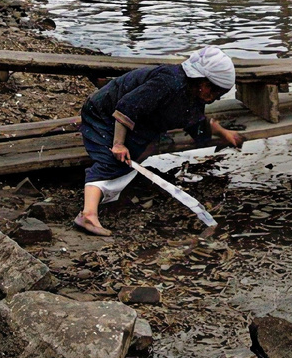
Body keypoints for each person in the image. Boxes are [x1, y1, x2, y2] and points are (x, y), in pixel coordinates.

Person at [75, 46, 243, 236]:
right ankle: (88, 214)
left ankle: (112, 190)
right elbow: (126, 108)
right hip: (103, 113)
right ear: (203, 83)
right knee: (114, 159)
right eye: (215, 92)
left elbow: (194, 121)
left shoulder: (192, 93)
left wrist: (223, 133)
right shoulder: (167, 82)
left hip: (141, 120)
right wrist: (118, 144)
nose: (214, 98)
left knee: (138, 152)